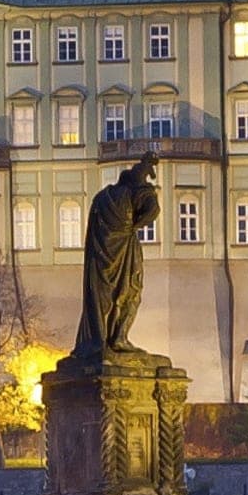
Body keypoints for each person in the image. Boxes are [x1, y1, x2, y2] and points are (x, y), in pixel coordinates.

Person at [75, 153, 165, 361]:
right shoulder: (138, 191)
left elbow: (92, 233)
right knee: (130, 292)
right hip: (125, 249)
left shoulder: (102, 197)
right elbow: (153, 210)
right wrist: (135, 225)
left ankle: (100, 338)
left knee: (102, 296)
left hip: (100, 256)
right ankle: (119, 337)